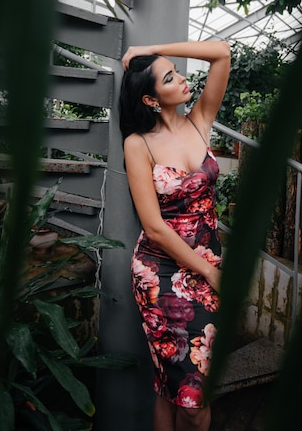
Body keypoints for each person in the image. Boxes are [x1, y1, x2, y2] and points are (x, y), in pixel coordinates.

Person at [119, 41, 231, 431]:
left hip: (206, 269)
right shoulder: (138, 144)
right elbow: (153, 227)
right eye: (170, 78)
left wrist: (150, 48)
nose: (183, 79)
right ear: (151, 99)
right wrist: (210, 272)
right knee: (186, 399)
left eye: (177, 71)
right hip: (161, 275)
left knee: (181, 392)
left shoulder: (200, 119)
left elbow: (221, 52)